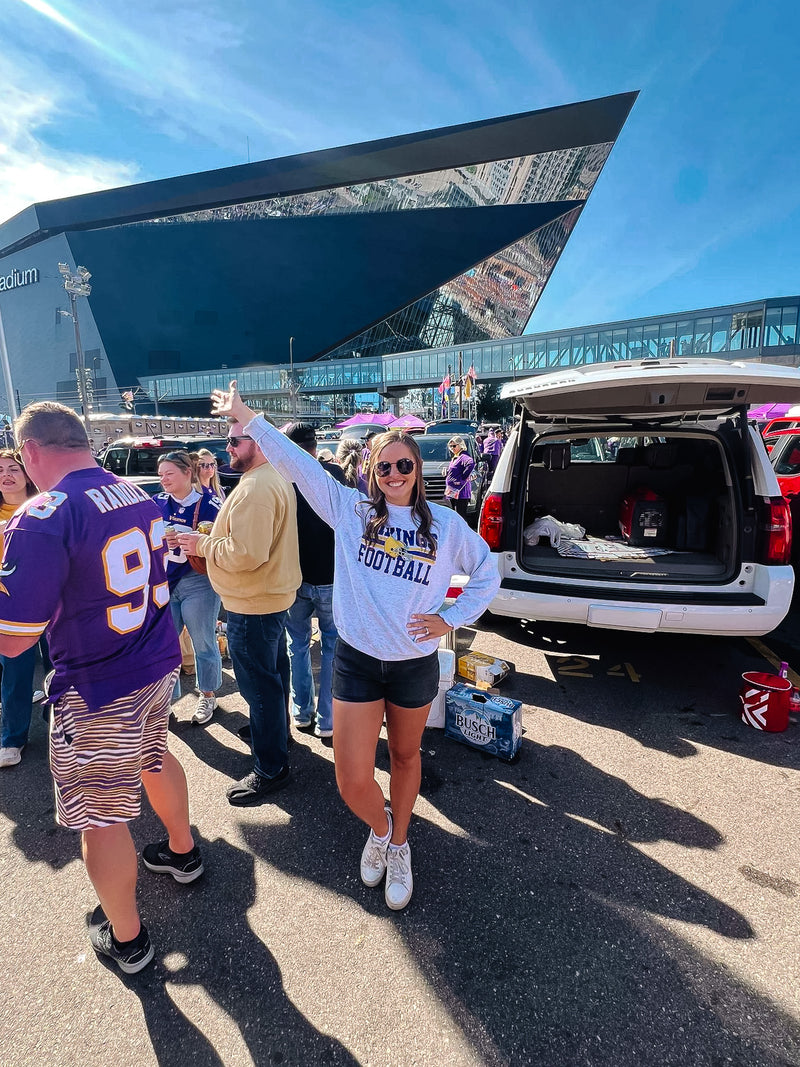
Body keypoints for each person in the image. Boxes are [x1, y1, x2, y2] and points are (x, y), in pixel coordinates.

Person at [210, 381, 500, 911]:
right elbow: (299, 464)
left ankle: (400, 842)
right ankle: (383, 827)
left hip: (413, 665)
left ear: (418, 472)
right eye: (383, 467)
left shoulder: (449, 528)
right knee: (350, 778)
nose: (393, 475)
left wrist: (451, 618)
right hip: (358, 662)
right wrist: (248, 419)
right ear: (372, 473)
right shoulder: (351, 512)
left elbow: (487, 571)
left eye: (403, 466)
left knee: (407, 756)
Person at [0, 402, 202, 975]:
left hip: (97, 683)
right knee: (155, 755)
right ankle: (182, 852)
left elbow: (13, 640)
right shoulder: (138, 493)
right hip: (154, 660)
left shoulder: (44, 514)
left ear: (33, 451)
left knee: (101, 814)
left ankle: (128, 938)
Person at [176, 420, 301, 806]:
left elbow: (246, 554)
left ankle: (270, 767)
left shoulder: (258, 487)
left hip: (254, 602)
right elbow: (251, 543)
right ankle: (275, 737)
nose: (227, 448)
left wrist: (202, 543)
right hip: (268, 597)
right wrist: (216, 534)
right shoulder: (268, 477)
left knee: (259, 686)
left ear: (259, 443)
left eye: (234, 441)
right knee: (274, 675)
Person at [283, 422, 346, 742]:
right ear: (314, 444)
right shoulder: (333, 474)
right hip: (332, 577)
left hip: (295, 578)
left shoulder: (283, 479)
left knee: (298, 647)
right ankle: (327, 719)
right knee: (333, 648)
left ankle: (301, 711)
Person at [156, 450, 223, 725]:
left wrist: (192, 539)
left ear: (188, 473)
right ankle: (166, 701)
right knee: (165, 644)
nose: (163, 480)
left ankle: (208, 694)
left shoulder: (210, 504)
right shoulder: (156, 503)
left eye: (169, 473)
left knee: (203, 641)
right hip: (165, 580)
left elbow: (223, 542)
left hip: (198, 580)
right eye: (160, 475)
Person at [0, 449, 47, 767]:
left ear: (28, 473)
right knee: (15, 676)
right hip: (9, 608)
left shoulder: (45, 508)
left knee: (63, 667)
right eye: (0, 469)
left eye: (14, 468)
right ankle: (12, 739)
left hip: (52, 603)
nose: (6, 474)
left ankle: (69, 730)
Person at [442, 435, 475, 520]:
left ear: (460, 445)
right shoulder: (456, 457)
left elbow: (471, 463)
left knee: (460, 516)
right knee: (454, 515)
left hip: (461, 492)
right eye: (450, 446)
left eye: (454, 446)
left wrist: (462, 478)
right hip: (452, 491)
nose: (452, 448)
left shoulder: (463, 456)